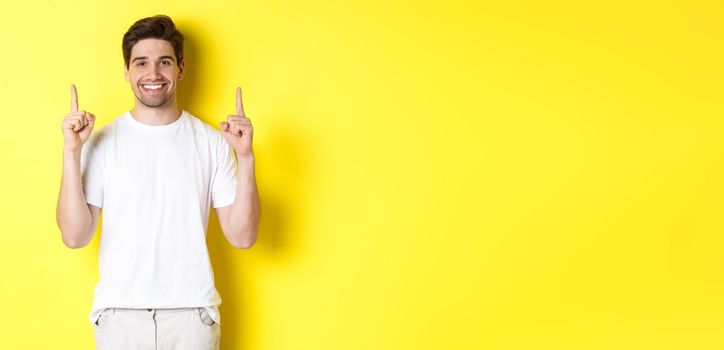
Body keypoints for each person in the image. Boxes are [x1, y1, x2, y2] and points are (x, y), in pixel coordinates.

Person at [55, 15, 260, 349]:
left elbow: (243, 236)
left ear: (180, 69)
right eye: (141, 63)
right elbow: (75, 236)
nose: (152, 74)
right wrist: (71, 152)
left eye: (164, 62)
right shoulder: (101, 141)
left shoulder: (211, 142)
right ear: (126, 71)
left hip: (191, 318)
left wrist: (246, 157)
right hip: (119, 318)